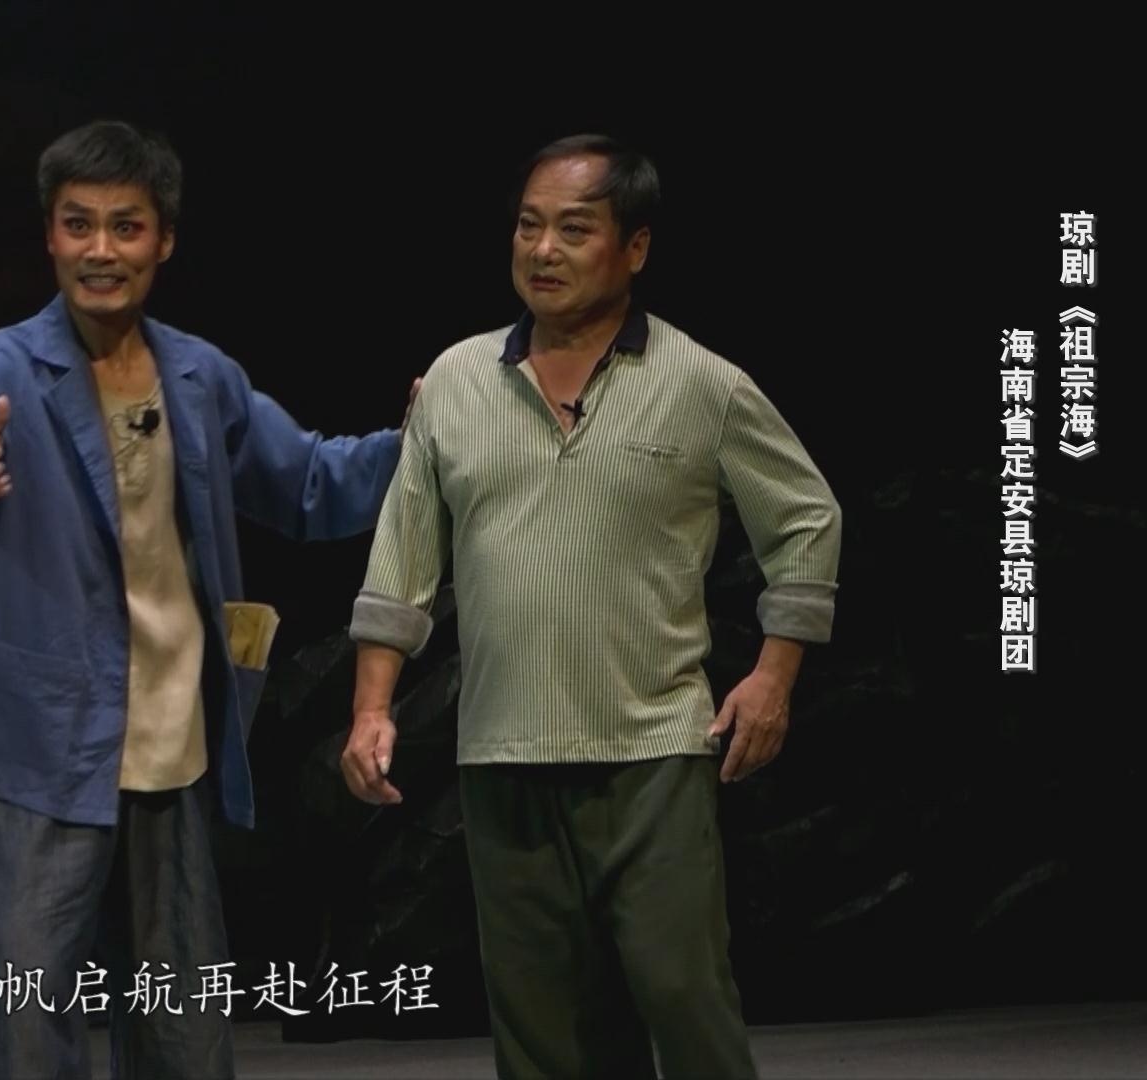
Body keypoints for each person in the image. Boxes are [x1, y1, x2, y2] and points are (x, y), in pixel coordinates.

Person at [0, 118, 412, 1079]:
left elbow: (308, 483)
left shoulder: (198, 375)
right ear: (49, 236)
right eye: (79, 225)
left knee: (181, 1027)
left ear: (164, 240)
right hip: (46, 744)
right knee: (29, 1022)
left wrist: (415, 443)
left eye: (126, 227)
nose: (101, 250)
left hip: (173, 741)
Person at [341, 134, 842, 1078]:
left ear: (635, 247)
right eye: (528, 226)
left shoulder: (702, 383)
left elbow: (807, 519)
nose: (543, 250)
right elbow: (401, 560)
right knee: (542, 1028)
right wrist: (372, 708)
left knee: (684, 998)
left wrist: (773, 678)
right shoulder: (455, 382)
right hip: (502, 755)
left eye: (574, 230)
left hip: (651, 751)